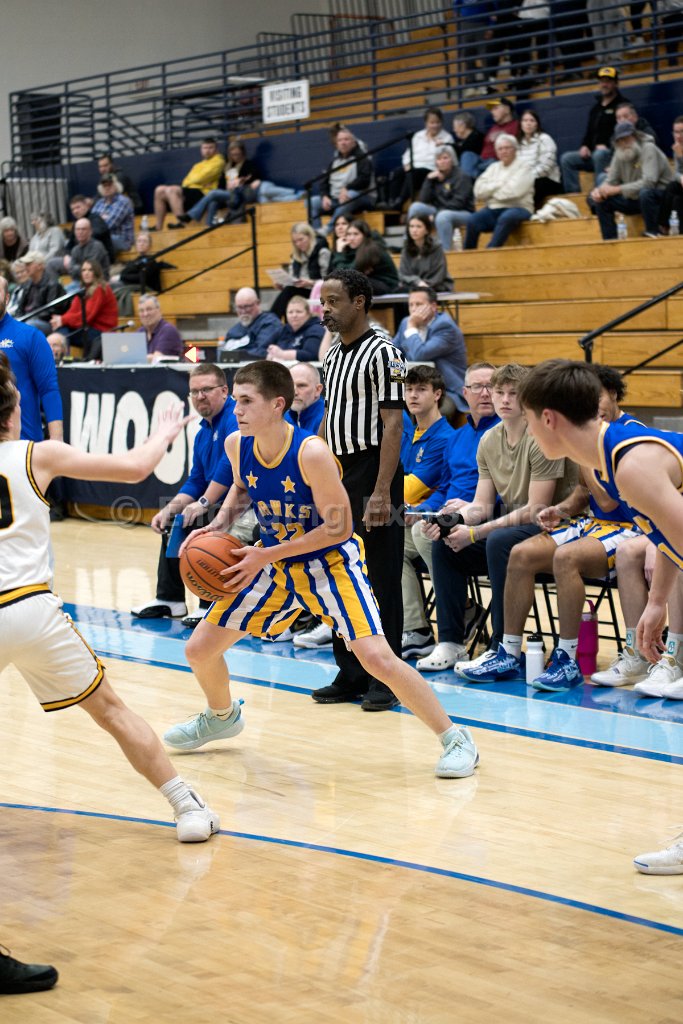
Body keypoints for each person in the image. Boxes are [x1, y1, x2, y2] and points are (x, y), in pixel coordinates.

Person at [163, 359, 479, 779]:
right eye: (235, 400)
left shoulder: (311, 452)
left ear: (277, 404)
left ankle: (456, 738)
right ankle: (221, 716)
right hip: (275, 561)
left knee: (378, 659)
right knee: (199, 649)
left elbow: (339, 527)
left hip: (329, 564)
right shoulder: (238, 444)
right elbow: (242, 487)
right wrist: (218, 525)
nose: (236, 410)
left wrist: (265, 555)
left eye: (246, 401)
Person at [0, 353, 219, 842]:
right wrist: (164, 433)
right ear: (13, 413)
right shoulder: (36, 455)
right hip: (30, 608)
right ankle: (187, 806)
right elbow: (136, 467)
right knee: (111, 711)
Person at [515, 357, 683, 874]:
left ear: (548, 418)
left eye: (527, 419)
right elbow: (671, 539)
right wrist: (657, 603)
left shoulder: (630, 464)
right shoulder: (610, 461)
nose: (527, 430)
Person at [458, 363, 642, 690]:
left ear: (613, 395)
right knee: (520, 554)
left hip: (634, 527)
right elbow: (583, 494)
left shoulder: (629, 433)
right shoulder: (591, 433)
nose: (591, 406)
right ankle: (508, 652)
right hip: (593, 523)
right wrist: (560, 509)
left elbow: (609, 501)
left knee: (565, 558)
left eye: (596, 397)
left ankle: (566, 659)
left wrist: (584, 456)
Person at [416, 362, 577, 672]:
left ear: (527, 398)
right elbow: (482, 505)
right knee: (445, 544)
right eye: (499, 392)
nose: (504, 399)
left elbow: (536, 509)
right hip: (515, 524)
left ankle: (502, 647)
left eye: (513, 393)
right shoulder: (489, 440)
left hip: (556, 526)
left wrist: (476, 533)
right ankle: (451, 643)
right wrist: (447, 522)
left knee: (498, 541)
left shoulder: (541, 439)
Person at [304, 269, 405, 710]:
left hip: (373, 470)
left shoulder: (385, 353)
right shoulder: (331, 356)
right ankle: (350, 672)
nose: (325, 310)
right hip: (339, 471)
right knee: (339, 571)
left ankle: (388, 678)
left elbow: (393, 425)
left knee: (380, 576)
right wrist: (314, 466)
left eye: (333, 301)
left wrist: (382, 491)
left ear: (359, 302)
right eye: (323, 302)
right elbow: (330, 415)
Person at [131, 363, 255, 629]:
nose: (200, 396)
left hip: (245, 502)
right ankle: (170, 598)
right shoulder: (202, 433)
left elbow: (229, 468)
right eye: (194, 392)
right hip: (218, 502)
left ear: (224, 391)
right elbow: (196, 478)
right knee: (173, 520)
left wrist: (203, 503)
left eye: (206, 389)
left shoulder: (234, 420)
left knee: (201, 523)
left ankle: (208, 601)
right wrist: (169, 509)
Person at [403, 362, 499, 658]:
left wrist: (464, 510)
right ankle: (416, 630)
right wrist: (424, 509)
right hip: (449, 516)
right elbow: (444, 487)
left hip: (486, 518)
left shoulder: (504, 434)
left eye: (491, 387)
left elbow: (506, 491)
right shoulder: (458, 438)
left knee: (424, 534)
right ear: (464, 393)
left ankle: (460, 615)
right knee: (390, 542)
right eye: (477, 387)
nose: (485, 394)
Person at [400, 365, 456, 658]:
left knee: (413, 536)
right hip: (409, 519)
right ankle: (416, 630)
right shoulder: (409, 433)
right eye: (409, 389)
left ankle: (462, 609)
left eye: (421, 389)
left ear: (437, 394)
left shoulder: (444, 437)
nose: (413, 395)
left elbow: (408, 490)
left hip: (436, 520)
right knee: (388, 545)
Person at [178, 140, 302, 227]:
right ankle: (209, 225)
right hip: (229, 194)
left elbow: (255, 178)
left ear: (243, 153)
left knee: (213, 194)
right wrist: (227, 185)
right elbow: (221, 185)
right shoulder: (227, 167)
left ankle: (191, 215)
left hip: (241, 194)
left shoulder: (248, 164)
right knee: (214, 198)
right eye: (233, 155)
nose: (235, 157)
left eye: (237, 154)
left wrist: (242, 181)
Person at [0, 277, 62, 441]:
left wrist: (57, 439)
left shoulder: (30, 337)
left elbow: (49, 389)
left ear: (7, 298)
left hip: (22, 442)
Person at [587, 121, 673, 239]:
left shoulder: (649, 148)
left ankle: (653, 232)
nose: (624, 143)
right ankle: (610, 240)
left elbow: (649, 182)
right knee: (602, 201)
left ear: (635, 136)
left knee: (646, 193)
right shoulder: (619, 153)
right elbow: (611, 180)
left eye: (626, 139)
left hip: (660, 198)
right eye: (620, 140)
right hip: (635, 198)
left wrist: (618, 189)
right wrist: (600, 191)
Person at [393, 285, 467, 413]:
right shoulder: (405, 323)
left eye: (418, 304)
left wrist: (412, 327)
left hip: (445, 391)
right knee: (386, 406)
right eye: (411, 305)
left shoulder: (445, 327)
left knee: (436, 412)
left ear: (433, 306)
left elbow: (420, 355)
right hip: (412, 388)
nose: (413, 309)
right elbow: (392, 352)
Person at [559, 67, 627, 193]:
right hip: (594, 154)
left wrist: (608, 146)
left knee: (600, 154)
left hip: (613, 155)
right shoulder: (596, 108)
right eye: (602, 81)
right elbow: (589, 132)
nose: (604, 84)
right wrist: (585, 145)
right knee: (567, 159)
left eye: (608, 81)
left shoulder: (623, 106)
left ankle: (599, 194)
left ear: (616, 83)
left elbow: (626, 134)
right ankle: (573, 196)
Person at [464, 133, 534, 249]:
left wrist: (490, 194)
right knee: (472, 220)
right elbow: (478, 191)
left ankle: (491, 251)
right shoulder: (493, 167)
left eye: (507, 148)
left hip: (519, 208)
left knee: (506, 217)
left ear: (515, 149)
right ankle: (468, 254)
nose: (503, 151)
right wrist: (499, 184)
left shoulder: (524, 167)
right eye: (500, 149)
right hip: (493, 209)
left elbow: (514, 192)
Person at [382, 106, 455, 210]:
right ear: (426, 123)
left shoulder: (447, 138)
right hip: (413, 166)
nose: (435, 125)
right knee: (396, 173)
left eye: (437, 122)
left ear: (441, 122)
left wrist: (442, 145)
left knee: (413, 174)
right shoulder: (417, 136)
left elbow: (450, 158)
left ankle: (399, 203)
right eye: (432, 122)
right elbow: (407, 154)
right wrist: (407, 164)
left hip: (430, 169)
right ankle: (391, 202)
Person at [407, 145, 475, 252]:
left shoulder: (462, 176)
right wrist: (428, 180)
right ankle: (410, 245)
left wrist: (435, 215)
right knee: (415, 207)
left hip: (464, 212)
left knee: (443, 216)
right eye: (439, 159)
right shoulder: (435, 176)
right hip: (440, 210)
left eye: (445, 158)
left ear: (452, 159)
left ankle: (445, 252)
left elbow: (458, 203)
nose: (442, 161)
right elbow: (423, 200)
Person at [309, 125, 376, 228]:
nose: (343, 143)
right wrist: (324, 196)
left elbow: (364, 180)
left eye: (346, 139)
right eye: (340, 140)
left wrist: (347, 188)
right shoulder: (334, 162)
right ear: (336, 144)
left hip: (361, 197)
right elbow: (324, 183)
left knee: (351, 194)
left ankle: (329, 228)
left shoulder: (362, 159)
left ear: (353, 142)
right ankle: (316, 233)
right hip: (337, 199)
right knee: (311, 202)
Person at [50, 259, 118, 360]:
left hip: (102, 333)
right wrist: (60, 320)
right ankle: (60, 359)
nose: (86, 273)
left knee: (63, 331)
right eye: (84, 270)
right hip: (88, 329)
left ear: (96, 272)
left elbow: (86, 317)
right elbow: (73, 311)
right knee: (61, 329)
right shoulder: (84, 290)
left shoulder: (101, 288)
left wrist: (62, 320)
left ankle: (62, 360)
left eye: (90, 270)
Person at [153, 137, 225, 231]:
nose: (207, 151)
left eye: (210, 148)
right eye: (205, 148)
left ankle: (181, 223)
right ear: (201, 149)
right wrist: (196, 182)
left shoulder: (219, 161)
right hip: (192, 191)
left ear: (216, 149)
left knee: (172, 190)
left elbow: (200, 178)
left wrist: (193, 181)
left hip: (205, 193)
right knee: (159, 190)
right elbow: (186, 181)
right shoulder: (198, 165)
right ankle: (158, 227)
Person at [269, 222, 331, 319]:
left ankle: (271, 320)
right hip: (299, 290)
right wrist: (282, 284)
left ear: (310, 236)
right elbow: (292, 279)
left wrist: (310, 283)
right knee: (288, 291)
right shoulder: (296, 256)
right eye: (295, 241)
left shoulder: (322, 252)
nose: (298, 244)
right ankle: (276, 321)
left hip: (316, 291)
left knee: (289, 292)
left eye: (301, 239)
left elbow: (327, 281)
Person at [328, 219, 399, 295]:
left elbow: (348, 275)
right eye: (349, 234)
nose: (351, 238)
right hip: (369, 284)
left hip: (386, 285)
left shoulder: (372, 249)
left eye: (356, 234)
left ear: (364, 236)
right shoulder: (350, 251)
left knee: (352, 283)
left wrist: (339, 253)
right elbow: (336, 274)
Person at [220, 287, 284, 359]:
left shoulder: (270, 323)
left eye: (247, 306)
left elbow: (261, 352)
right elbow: (224, 351)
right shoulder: (234, 330)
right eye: (239, 307)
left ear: (258, 303)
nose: (243, 311)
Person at [516, 109, 562, 209]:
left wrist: (526, 178)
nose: (528, 123)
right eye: (525, 120)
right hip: (526, 181)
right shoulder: (518, 143)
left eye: (532, 120)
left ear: (537, 124)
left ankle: (526, 211)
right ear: (521, 124)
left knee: (533, 185)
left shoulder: (545, 139)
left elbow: (545, 168)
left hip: (548, 181)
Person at [12, 252, 65, 335]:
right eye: (25, 264)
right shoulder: (27, 284)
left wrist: (28, 318)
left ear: (39, 266)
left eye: (29, 264)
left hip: (46, 323)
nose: (25, 267)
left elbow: (52, 310)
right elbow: (20, 308)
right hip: (28, 319)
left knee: (29, 325)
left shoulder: (53, 284)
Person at [467, 97, 520, 179]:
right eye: (491, 110)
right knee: (467, 155)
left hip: (496, 162)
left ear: (507, 110)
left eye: (495, 108)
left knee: (491, 162)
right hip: (482, 162)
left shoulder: (516, 125)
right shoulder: (493, 128)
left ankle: (477, 178)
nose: (492, 112)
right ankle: (478, 176)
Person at [398, 213, 454, 292]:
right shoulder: (406, 248)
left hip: (436, 286)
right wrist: (417, 282)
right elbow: (403, 274)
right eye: (411, 226)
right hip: (415, 286)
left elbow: (439, 274)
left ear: (426, 230)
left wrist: (423, 285)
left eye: (418, 226)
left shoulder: (436, 247)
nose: (414, 230)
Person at [266, 295, 325, 363]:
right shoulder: (284, 329)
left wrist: (282, 354)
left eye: (298, 312)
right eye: (290, 312)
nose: (294, 315)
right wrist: (270, 354)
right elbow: (264, 347)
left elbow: (311, 355)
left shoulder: (316, 329)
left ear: (308, 313)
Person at [91, 173, 135, 254]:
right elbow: (91, 221)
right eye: (104, 186)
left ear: (116, 186)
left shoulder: (123, 201)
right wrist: (102, 218)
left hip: (122, 240)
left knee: (98, 241)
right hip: (104, 238)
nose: (107, 188)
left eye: (109, 185)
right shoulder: (99, 203)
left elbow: (110, 224)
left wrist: (99, 219)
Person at [138, 294, 184, 361]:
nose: (145, 314)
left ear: (159, 310)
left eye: (149, 309)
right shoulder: (140, 332)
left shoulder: (168, 331)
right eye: (141, 311)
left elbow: (156, 359)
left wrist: (134, 359)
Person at [658, 115, 683, 234]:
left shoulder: (678, 150)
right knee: (672, 188)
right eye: (676, 132)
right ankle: (664, 226)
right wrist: (681, 178)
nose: (678, 136)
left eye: (681, 132)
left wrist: (681, 156)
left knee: (677, 199)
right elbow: (677, 173)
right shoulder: (678, 147)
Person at [286, 361, 326, 433]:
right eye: (290, 385)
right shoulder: (283, 416)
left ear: (318, 390)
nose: (294, 392)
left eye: (301, 385)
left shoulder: (327, 420)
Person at [451, 110, 485, 179]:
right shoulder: (464, 141)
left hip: (478, 169)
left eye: (455, 127)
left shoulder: (477, 137)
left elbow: (465, 150)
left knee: (467, 156)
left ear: (463, 126)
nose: (454, 130)